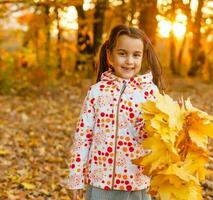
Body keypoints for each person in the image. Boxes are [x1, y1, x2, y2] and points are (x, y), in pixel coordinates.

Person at [65, 24, 163, 200]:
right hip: (101, 182)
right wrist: (76, 177)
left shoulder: (150, 93)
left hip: (136, 181)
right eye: (122, 53)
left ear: (143, 57)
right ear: (110, 56)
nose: (129, 61)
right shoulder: (97, 92)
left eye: (136, 55)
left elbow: (156, 137)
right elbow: (83, 136)